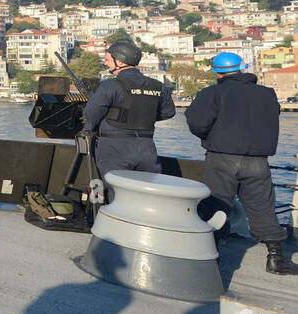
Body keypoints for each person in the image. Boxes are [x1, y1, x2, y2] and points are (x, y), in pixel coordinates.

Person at [186, 52, 298, 275]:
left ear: (217, 72)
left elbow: (196, 122)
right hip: (257, 160)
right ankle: (277, 258)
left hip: (221, 158)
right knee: (263, 207)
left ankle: (209, 257)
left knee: (214, 206)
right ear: (243, 68)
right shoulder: (267, 94)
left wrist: (210, 137)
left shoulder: (213, 93)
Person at [82, 40, 175, 179]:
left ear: (120, 62)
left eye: (107, 59)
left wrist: (91, 130)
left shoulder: (110, 85)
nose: (105, 63)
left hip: (114, 148)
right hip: (146, 148)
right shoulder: (158, 86)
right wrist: (142, 116)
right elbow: (169, 112)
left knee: (117, 193)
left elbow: (91, 114)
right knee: (148, 193)